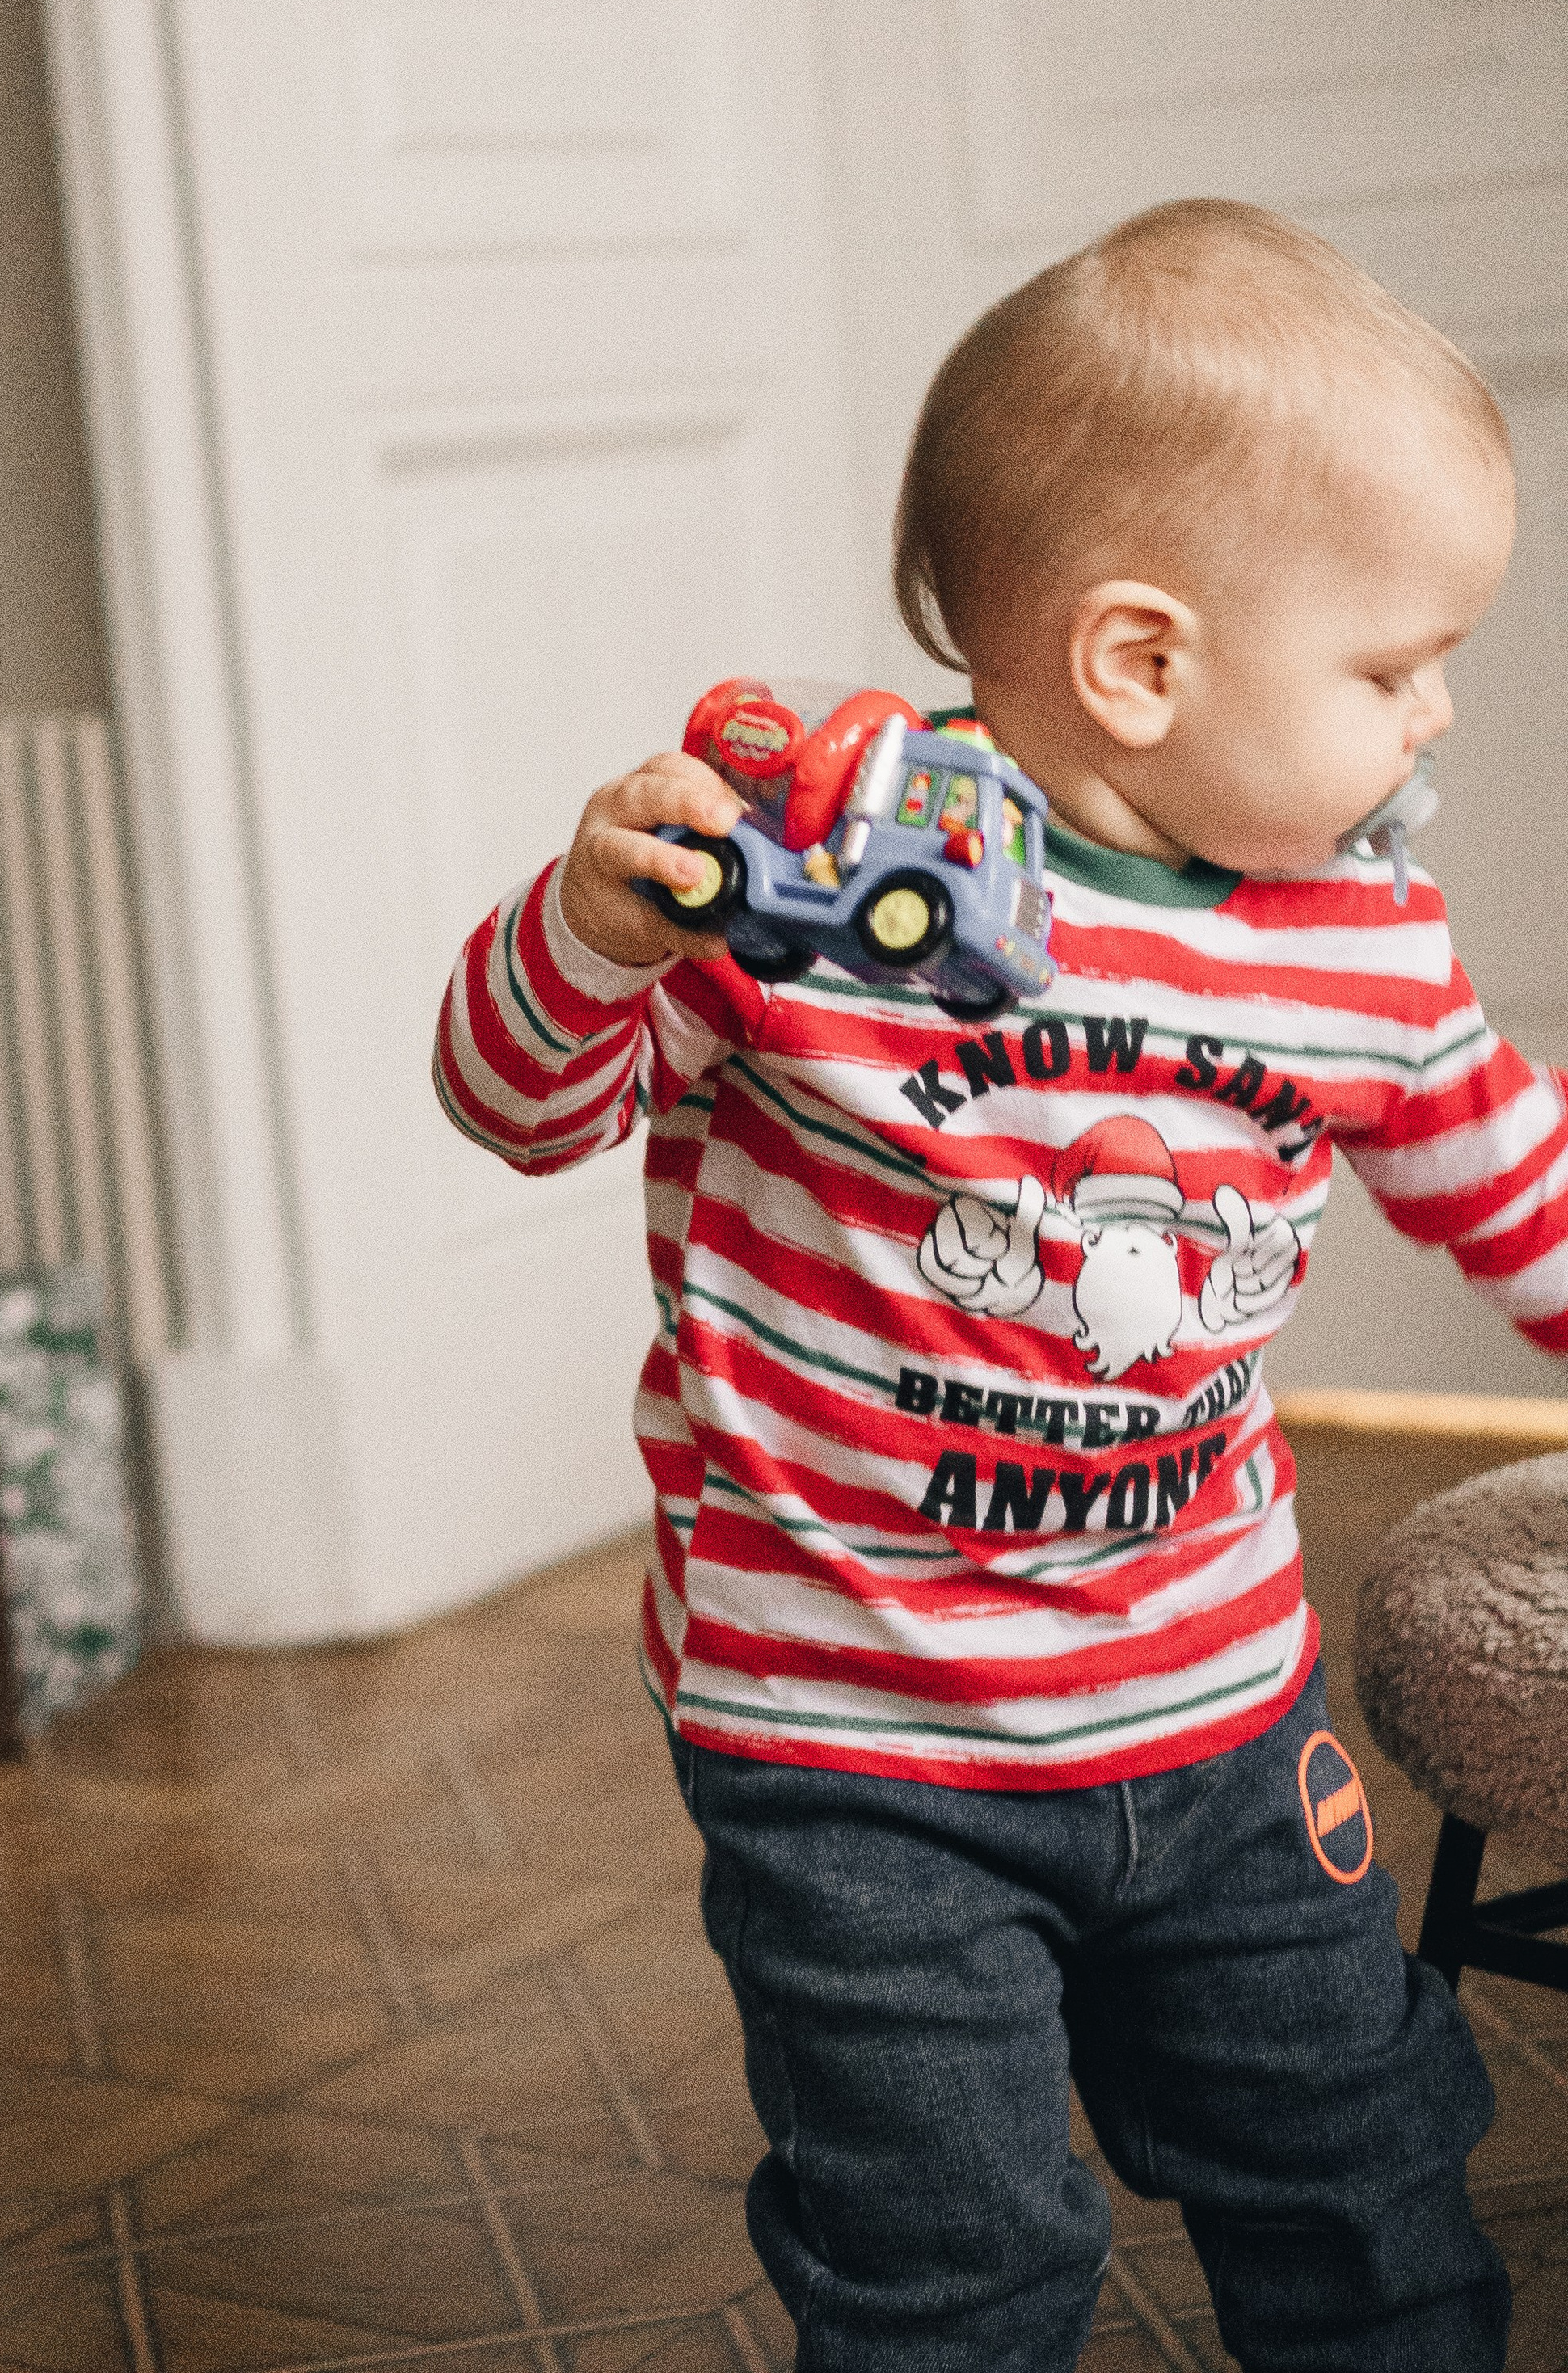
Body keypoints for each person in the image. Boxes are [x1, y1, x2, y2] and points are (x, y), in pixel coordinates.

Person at [432, 199, 1556, 2372]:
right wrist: (594, 931)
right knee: (943, 2263)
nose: (1439, 711)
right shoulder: (807, 887)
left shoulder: (1353, 943)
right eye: (1394, 661)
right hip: (852, 1752)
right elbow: (513, 1102)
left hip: (1221, 1715)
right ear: (1144, 662)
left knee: (1365, 2178)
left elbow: (1519, 1178)